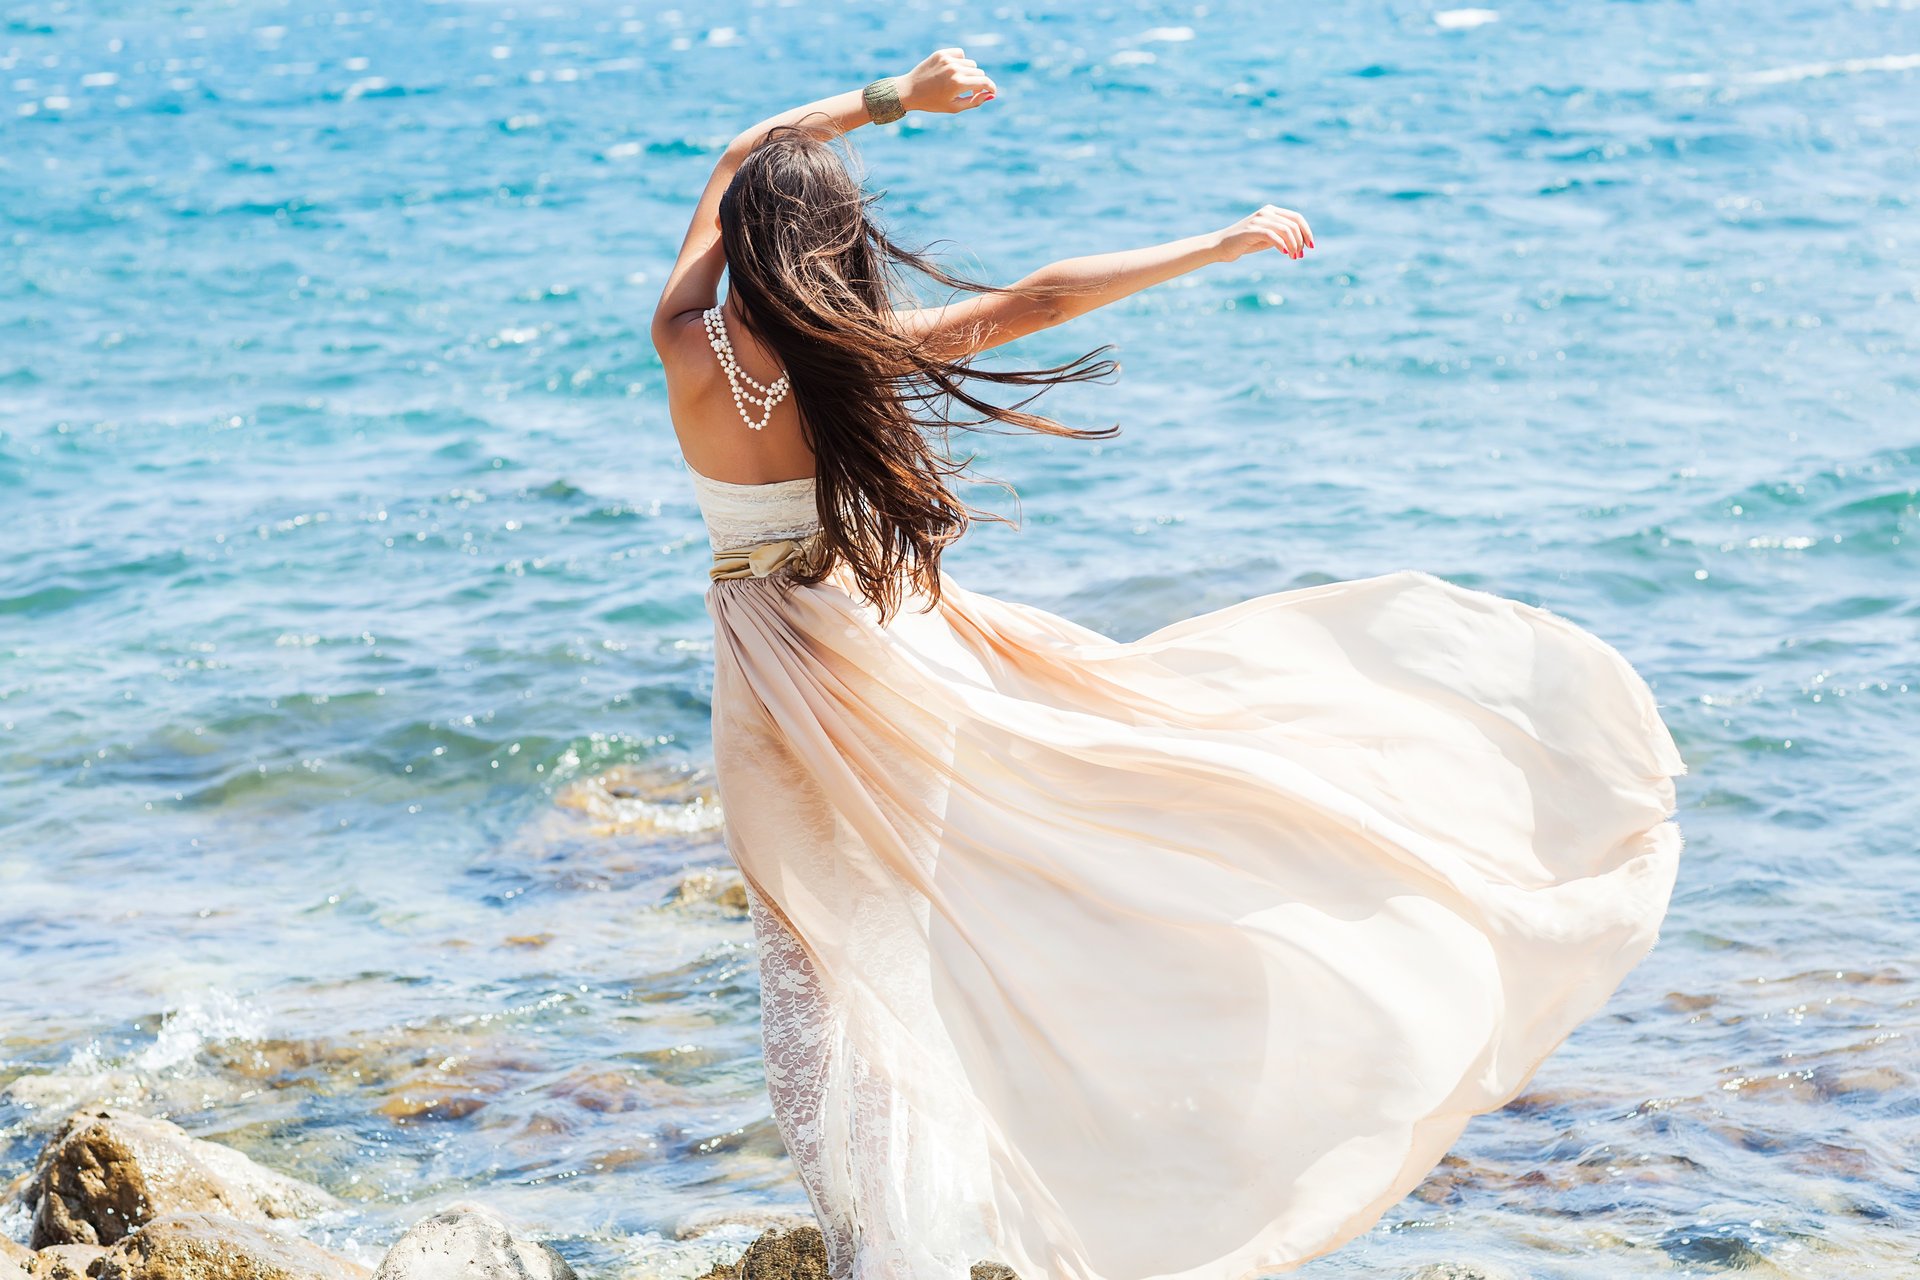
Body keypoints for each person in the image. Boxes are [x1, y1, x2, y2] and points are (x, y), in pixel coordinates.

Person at [650, 49, 1685, 1280]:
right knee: (930, 917)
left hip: (763, 675)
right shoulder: (861, 353)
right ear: (837, 243)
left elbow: (732, 155)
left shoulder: (682, 342)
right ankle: (952, 1210)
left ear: (748, 245)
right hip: (880, 658)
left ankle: (867, 1236)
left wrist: (890, 100)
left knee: (806, 954)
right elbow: (1035, 300)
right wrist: (1217, 242)